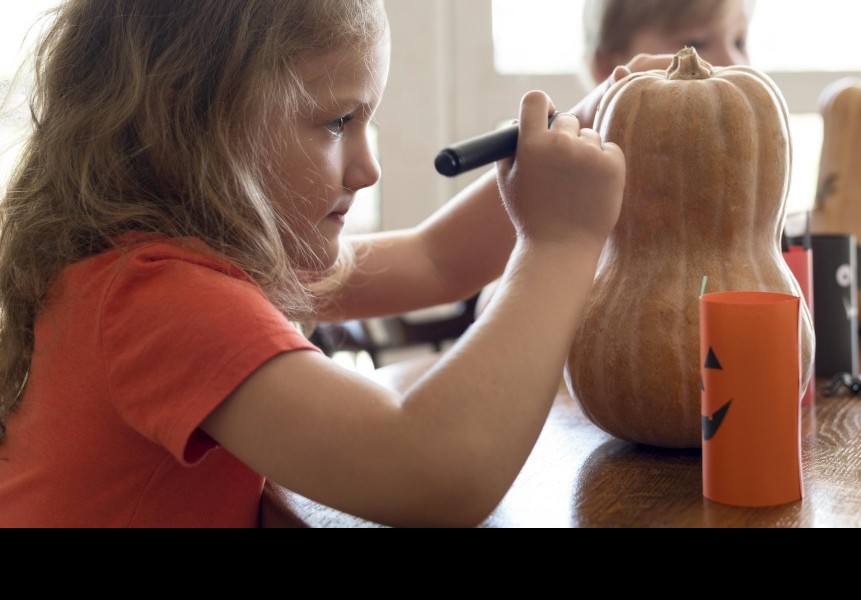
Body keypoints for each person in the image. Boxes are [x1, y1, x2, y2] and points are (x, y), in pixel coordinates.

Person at [0, 0, 670, 528]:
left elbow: (436, 262)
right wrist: (561, 242)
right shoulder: (158, 299)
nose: (367, 166)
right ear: (198, 123)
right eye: (336, 121)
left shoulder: (166, 263)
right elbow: (434, 469)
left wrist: (590, 123)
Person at [583, 0, 861, 259]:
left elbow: (765, 256)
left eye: (740, 41)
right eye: (695, 43)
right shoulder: (577, 191)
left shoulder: (742, 184)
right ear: (607, 65)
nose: (732, 63)